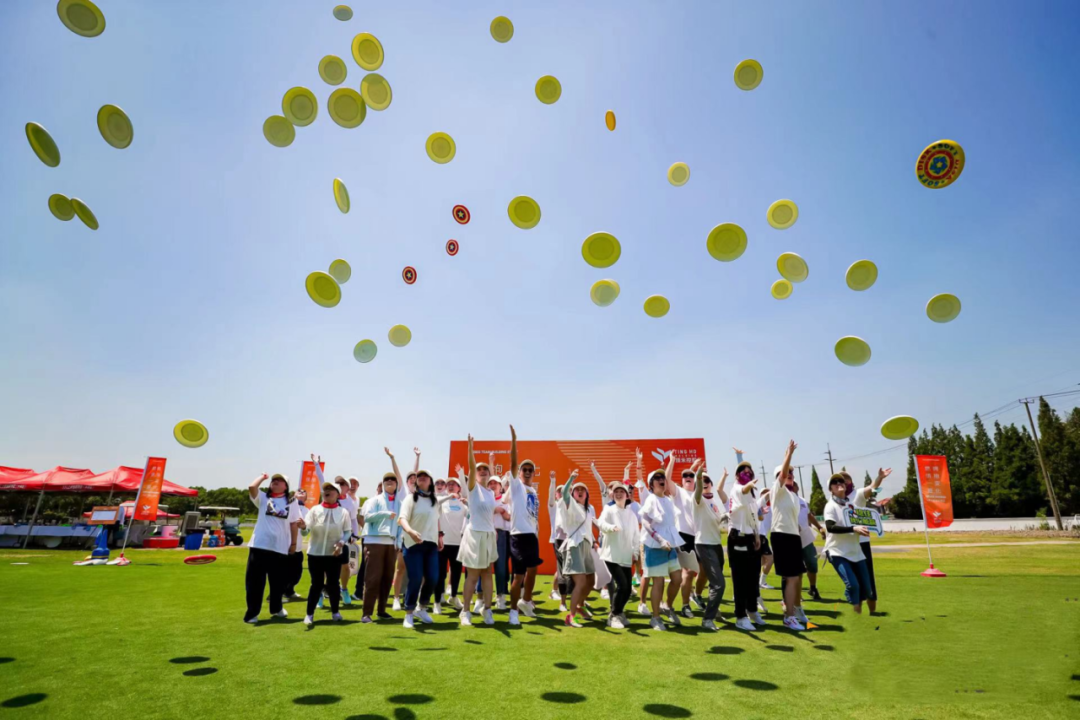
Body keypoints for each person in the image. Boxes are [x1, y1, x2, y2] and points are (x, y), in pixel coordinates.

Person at [639, 458, 690, 631]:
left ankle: (667, 606)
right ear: (651, 484)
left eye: (663, 477)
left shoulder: (668, 500)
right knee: (658, 582)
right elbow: (645, 522)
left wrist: (673, 543)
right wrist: (659, 539)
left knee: (677, 579)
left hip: (670, 547)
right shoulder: (650, 499)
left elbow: (671, 525)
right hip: (654, 547)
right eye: (657, 478)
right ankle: (655, 618)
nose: (661, 480)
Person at [244, 472, 301, 624]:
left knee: (278, 583)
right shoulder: (263, 498)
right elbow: (252, 487)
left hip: (280, 548)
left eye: (279, 480)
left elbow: (294, 523)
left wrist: (293, 544)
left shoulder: (292, 501)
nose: (275, 482)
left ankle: (276, 608)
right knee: (255, 583)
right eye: (273, 480)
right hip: (259, 546)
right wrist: (262, 477)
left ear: (286, 486)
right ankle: (252, 613)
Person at [457, 435, 499, 626]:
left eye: (485, 470)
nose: (481, 471)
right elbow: (472, 467)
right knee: (473, 576)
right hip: (474, 535)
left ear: (489, 474)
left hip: (488, 535)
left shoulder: (490, 492)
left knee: (487, 574)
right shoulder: (473, 488)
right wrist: (471, 448)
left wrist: (493, 531)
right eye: (479, 469)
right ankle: (465, 611)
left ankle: (487, 609)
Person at [299, 480, 353, 627]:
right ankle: (309, 614)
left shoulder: (343, 512)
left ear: (337, 494)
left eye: (331, 489)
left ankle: (335, 612)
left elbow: (348, 532)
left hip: (334, 554)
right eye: (325, 489)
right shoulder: (315, 510)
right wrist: (303, 527)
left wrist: (342, 542)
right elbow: (305, 531)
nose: (327, 491)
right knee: (316, 584)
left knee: (333, 584)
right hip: (315, 553)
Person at [505, 426, 542, 626]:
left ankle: (526, 601)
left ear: (533, 473)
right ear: (518, 473)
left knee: (533, 571)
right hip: (518, 536)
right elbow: (513, 462)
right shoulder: (516, 485)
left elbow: (534, 516)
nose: (527, 472)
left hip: (531, 537)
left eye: (530, 470)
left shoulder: (533, 491)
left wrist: (536, 533)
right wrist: (514, 440)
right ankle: (513, 612)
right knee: (518, 576)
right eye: (524, 470)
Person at [769, 440, 807, 631]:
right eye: (786, 473)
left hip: (793, 537)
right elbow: (783, 473)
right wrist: (789, 454)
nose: (789, 474)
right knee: (791, 577)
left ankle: (792, 610)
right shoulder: (778, 490)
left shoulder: (793, 496)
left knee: (795, 576)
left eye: (793, 473)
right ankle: (789, 617)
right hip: (781, 536)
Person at [360, 457, 404, 623]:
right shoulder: (373, 500)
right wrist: (385, 514)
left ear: (397, 484)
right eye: (387, 480)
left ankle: (381, 610)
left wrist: (398, 542)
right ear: (383, 484)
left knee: (387, 578)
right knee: (373, 578)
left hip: (391, 543)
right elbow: (367, 517)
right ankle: (366, 613)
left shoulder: (399, 503)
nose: (390, 481)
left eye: (393, 479)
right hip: (374, 541)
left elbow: (400, 524)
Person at [398, 469, 443, 629]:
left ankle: (421, 608)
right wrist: (410, 531)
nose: (422, 478)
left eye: (425, 476)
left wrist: (440, 536)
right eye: (419, 477)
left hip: (431, 545)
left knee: (433, 578)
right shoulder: (410, 498)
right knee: (416, 578)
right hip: (412, 544)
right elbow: (402, 519)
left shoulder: (434, 501)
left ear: (430, 481)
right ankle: (409, 613)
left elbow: (436, 520)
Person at [844, 468, 892, 614]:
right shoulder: (836, 499)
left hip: (862, 542)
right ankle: (857, 607)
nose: (842, 483)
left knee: (867, 576)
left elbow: (871, 488)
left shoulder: (857, 494)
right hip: (846, 543)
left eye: (845, 479)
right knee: (853, 577)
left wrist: (880, 478)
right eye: (839, 480)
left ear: (850, 481)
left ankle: (872, 610)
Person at [824, 474, 873, 613]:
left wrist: (865, 528)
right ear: (831, 489)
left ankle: (856, 603)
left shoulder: (852, 505)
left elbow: (863, 521)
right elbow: (830, 527)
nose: (839, 483)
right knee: (853, 585)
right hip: (837, 551)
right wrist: (853, 529)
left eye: (841, 481)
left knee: (867, 589)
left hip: (855, 551)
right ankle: (854, 608)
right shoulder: (830, 506)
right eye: (834, 482)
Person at [597, 480, 639, 628]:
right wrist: (611, 527)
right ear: (612, 495)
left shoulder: (631, 514)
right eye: (616, 492)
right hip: (611, 555)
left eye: (622, 492)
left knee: (627, 589)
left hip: (626, 557)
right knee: (622, 585)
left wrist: (635, 553)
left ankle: (619, 612)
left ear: (627, 495)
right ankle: (613, 615)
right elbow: (600, 523)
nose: (619, 494)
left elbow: (636, 535)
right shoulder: (609, 510)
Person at [692, 465, 729, 631]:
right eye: (703, 480)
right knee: (719, 584)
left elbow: (718, 523)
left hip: (716, 544)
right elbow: (698, 490)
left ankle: (714, 610)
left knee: (715, 583)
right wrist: (699, 476)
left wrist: (725, 518)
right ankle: (707, 619)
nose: (705, 482)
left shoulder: (713, 502)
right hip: (704, 544)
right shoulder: (697, 499)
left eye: (708, 480)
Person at [727, 460, 763, 631]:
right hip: (737, 537)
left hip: (750, 537)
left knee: (753, 577)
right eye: (743, 472)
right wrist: (749, 484)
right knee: (740, 579)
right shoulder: (736, 489)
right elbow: (743, 489)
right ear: (737, 475)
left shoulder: (751, 496)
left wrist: (756, 535)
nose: (747, 474)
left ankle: (752, 610)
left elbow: (753, 517)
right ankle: (740, 616)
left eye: (749, 472)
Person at [559, 469, 595, 627]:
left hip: (586, 545)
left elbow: (592, 527)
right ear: (573, 494)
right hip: (575, 544)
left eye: (583, 490)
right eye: (577, 490)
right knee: (580, 582)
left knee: (591, 581)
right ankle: (571, 616)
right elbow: (564, 493)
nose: (580, 492)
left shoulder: (588, 510)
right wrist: (571, 479)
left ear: (587, 494)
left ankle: (579, 606)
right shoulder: (571, 504)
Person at [391, 448, 421, 611]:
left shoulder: (422, 496)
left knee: (417, 571)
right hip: (403, 537)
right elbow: (398, 475)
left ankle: (413, 599)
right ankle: (396, 598)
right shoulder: (402, 493)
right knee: (401, 568)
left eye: (415, 479)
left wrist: (418, 457)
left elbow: (416, 473)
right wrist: (392, 458)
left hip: (419, 537)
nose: (413, 481)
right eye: (410, 479)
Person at [436, 473, 467, 613]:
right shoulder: (441, 500)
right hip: (442, 543)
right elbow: (436, 503)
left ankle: (453, 596)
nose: (450, 486)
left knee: (456, 572)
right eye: (448, 484)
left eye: (453, 484)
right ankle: (437, 601)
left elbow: (471, 514)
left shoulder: (462, 504)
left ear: (459, 487)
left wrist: (465, 501)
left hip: (458, 543)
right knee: (441, 573)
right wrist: (449, 497)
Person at [796, 487, 826, 603]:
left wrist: (819, 527)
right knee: (797, 567)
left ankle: (812, 588)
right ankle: (797, 594)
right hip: (793, 539)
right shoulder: (784, 500)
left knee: (812, 564)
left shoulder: (802, 501)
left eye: (794, 485)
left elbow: (809, 516)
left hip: (807, 538)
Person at [334, 476, 361, 605]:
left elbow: (354, 519)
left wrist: (354, 535)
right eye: (338, 484)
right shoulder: (331, 496)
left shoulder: (351, 502)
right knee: (326, 568)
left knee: (345, 567)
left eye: (342, 484)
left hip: (343, 539)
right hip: (328, 539)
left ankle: (343, 589)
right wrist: (317, 466)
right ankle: (322, 592)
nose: (340, 486)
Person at [548, 469, 571, 612]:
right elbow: (551, 498)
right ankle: (562, 601)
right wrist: (553, 482)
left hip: (572, 540)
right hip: (559, 540)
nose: (561, 493)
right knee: (562, 570)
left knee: (573, 571)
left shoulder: (572, 506)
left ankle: (578, 600)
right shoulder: (554, 506)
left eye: (564, 491)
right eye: (559, 491)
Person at [282, 489, 309, 602]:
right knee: (284, 572)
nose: (301, 492)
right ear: (294, 495)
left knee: (297, 574)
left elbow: (306, 531)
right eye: (299, 491)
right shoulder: (287, 506)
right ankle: (278, 594)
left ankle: (289, 591)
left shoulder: (308, 511)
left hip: (298, 547)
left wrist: (303, 527)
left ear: (306, 497)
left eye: (304, 492)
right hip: (285, 546)